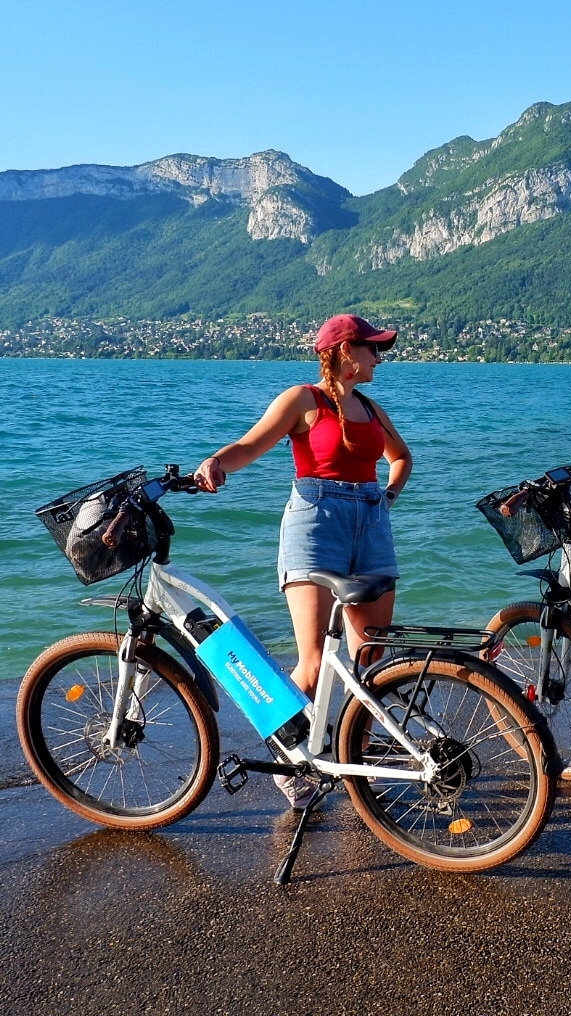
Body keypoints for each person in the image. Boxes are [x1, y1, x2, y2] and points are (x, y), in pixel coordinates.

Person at [193, 313, 413, 807]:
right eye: (372, 348)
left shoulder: (372, 408)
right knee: (313, 664)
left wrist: (388, 496)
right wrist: (215, 463)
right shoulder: (303, 399)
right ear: (342, 352)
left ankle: (352, 750)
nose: (379, 357)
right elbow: (251, 445)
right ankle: (290, 759)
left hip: (371, 522)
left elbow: (401, 458)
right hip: (315, 523)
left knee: (369, 653)